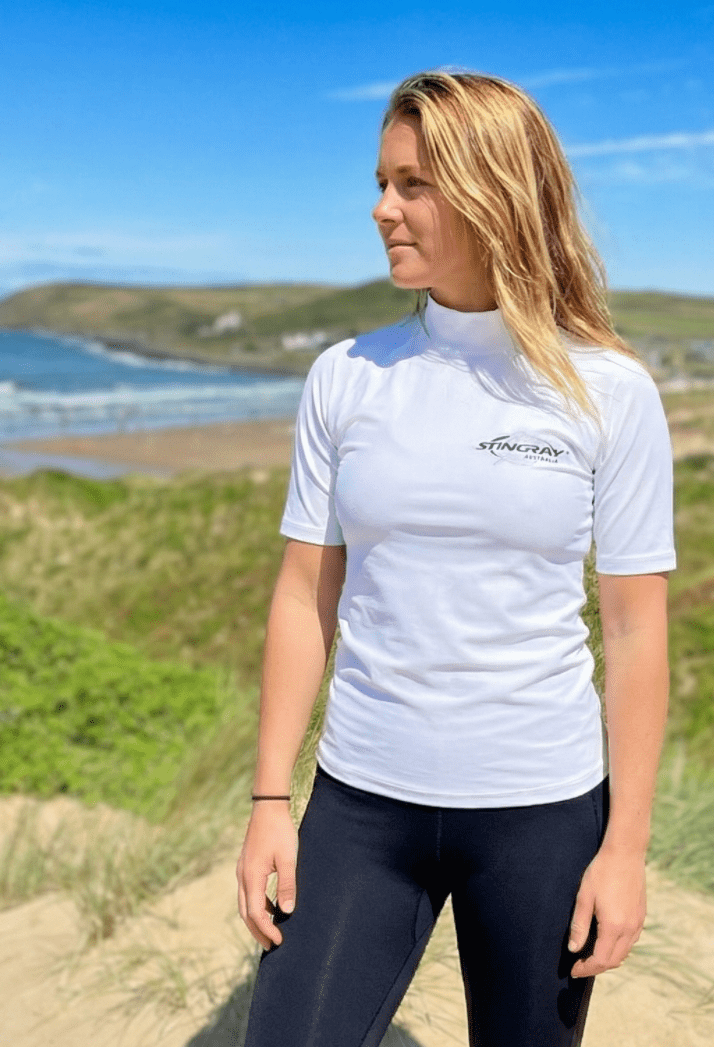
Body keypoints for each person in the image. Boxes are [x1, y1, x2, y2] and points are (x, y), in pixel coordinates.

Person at [236, 69, 675, 1047]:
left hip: (543, 817)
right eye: (383, 181)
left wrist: (627, 850)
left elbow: (638, 632)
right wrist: (272, 801)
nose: (381, 208)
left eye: (413, 184)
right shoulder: (346, 378)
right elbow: (304, 594)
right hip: (360, 809)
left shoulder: (610, 391)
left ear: (495, 192)